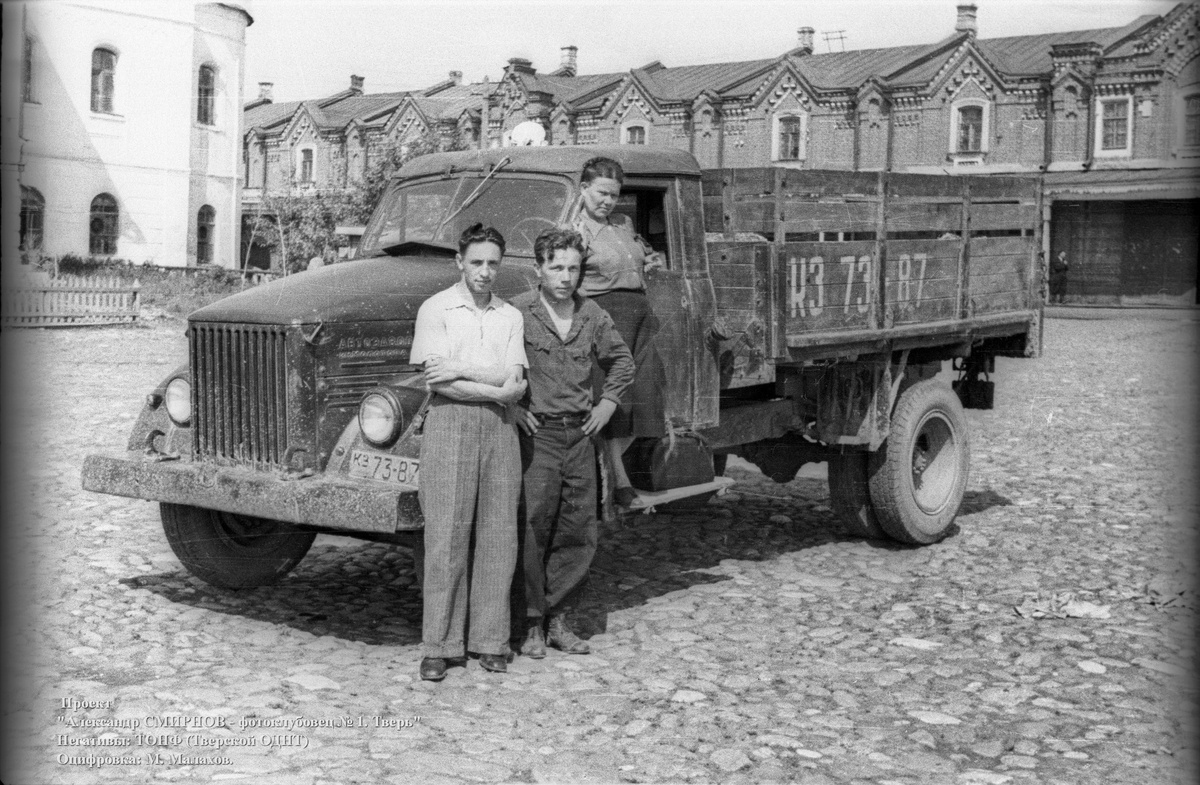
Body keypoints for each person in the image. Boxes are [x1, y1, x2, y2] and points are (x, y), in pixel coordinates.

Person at [408, 223, 528, 681]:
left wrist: (463, 368)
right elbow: (439, 382)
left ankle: (490, 641)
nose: (484, 272)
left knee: (499, 535)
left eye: (493, 263)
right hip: (449, 424)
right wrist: (494, 387)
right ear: (459, 261)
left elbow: (516, 380)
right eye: (476, 262)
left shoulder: (509, 316)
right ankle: (440, 645)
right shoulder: (436, 308)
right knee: (447, 535)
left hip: (500, 431)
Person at [510, 229, 635, 657]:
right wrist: (511, 407)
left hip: (580, 434)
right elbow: (492, 362)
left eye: (573, 268)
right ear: (538, 270)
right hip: (537, 436)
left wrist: (608, 404)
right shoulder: (518, 313)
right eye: (556, 267)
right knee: (533, 527)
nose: (565, 277)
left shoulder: (592, 314)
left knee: (578, 528)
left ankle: (560, 621)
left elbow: (621, 361)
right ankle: (531, 625)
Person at [572, 156, 667, 508]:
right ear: (583, 189)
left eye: (613, 195)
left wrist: (650, 260)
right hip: (604, 320)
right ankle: (619, 479)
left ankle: (612, 472)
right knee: (611, 400)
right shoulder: (574, 232)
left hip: (640, 320)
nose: (607, 201)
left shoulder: (623, 225)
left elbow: (641, 256)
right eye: (600, 193)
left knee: (643, 399)